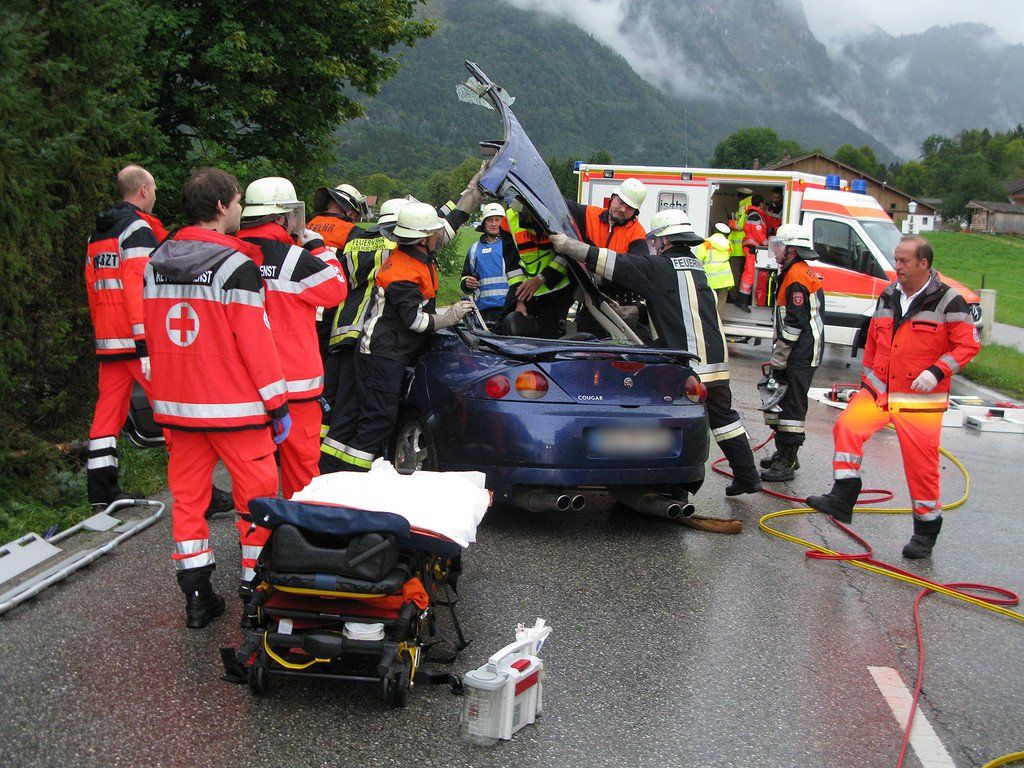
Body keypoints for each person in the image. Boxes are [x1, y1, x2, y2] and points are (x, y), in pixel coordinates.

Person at [143, 167, 290, 628]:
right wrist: (278, 404)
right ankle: (254, 596)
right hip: (236, 411)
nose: (241, 208)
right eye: (238, 201)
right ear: (222, 205)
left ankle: (197, 599)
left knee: (189, 502)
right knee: (257, 501)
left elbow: (152, 334)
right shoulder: (235, 266)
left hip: (179, 411)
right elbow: (256, 344)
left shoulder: (156, 261)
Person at [550, 209, 762, 497]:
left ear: (664, 240)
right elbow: (676, 303)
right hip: (715, 359)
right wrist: (638, 311)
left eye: (656, 241)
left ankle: (674, 489)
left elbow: (615, 263)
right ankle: (748, 476)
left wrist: (567, 246)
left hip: (687, 362)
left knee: (672, 420)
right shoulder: (696, 268)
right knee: (724, 418)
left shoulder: (661, 266)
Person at [806, 236, 980, 559]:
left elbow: (968, 346)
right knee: (847, 426)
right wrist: (867, 382)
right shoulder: (888, 295)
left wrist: (937, 371)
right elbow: (874, 340)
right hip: (880, 392)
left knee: (922, 469)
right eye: (896, 259)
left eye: (903, 261)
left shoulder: (949, 301)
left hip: (920, 402)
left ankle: (925, 531)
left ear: (923, 263)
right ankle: (843, 494)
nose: (896, 266)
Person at [84, 165, 232, 517]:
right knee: (172, 412)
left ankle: (101, 493)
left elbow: (93, 287)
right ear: (143, 191)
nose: (155, 196)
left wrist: (105, 332)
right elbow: (138, 286)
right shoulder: (136, 230)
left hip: (109, 339)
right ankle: (199, 492)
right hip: (136, 340)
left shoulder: (98, 234)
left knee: (107, 416)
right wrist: (145, 342)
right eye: (153, 190)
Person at [324, 202, 475, 470]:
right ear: (423, 239)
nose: (438, 236)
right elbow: (415, 321)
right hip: (382, 354)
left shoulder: (414, 257)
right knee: (379, 419)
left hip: (383, 351)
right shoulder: (403, 272)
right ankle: (353, 473)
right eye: (434, 233)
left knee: (363, 415)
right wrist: (449, 316)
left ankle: (333, 470)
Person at [237, 177, 347, 498]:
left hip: (245, 385)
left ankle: (256, 527)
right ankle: (299, 527)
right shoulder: (294, 259)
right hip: (295, 385)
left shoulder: (231, 253)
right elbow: (336, 289)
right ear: (283, 217)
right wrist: (319, 248)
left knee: (251, 474)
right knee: (302, 477)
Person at [319, 197, 408, 472]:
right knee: (354, 407)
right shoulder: (397, 245)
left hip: (341, 328)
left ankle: (316, 460)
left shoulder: (355, 240)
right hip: (367, 333)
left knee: (334, 405)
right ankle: (337, 470)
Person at [759, 224, 824, 483]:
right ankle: (783, 454)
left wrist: (780, 356)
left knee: (791, 407)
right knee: (782, 400)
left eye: (779, 246)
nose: (775, 251)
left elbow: (794, 324)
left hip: (800, 354)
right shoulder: (795, 272)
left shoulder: (796, 277)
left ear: (792, 250)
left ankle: (787, 461)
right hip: (801, 351)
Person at [565, 178, 649, 338]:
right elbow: (561, 205)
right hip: (592, 303)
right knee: (584, 344)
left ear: (635, 212)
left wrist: (600, 277)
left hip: (620, 308)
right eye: (621, 202)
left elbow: (634, 274)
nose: (623, 209)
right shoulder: (590, 215)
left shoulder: (637, 234)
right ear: (613, 197)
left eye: (629, 207)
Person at [500, 204, 573, 339]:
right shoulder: (508, 219)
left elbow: (566, 256)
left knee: (549, 337)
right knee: (503, 329)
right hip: (526, 291)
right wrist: (519, 301)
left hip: (556, 288)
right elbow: (512, 266)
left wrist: (541, 278)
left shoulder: (557, 214)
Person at [461, 202, 518, 327]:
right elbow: (465, 275)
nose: (494, 224)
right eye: (490, 220)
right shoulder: (473, 249)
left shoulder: (512, 245)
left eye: (497, 220)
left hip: (509, 307)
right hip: (483, 310)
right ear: (484, 223)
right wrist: (466, 282)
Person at [693, 223, 735, 315]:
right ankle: (718, 321)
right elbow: (728, 257)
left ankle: (709, 321)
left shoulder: (706, 243)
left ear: (714, 231)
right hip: (725, 279)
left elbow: (698, 259)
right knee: (720, 304)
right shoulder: (728, 244)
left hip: (710, 279)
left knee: (708, 303)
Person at [727, 187, 755, 310]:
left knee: (736, 274)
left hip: (738, 248)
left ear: (740, 195)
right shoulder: (748, 204)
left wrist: (730, 222)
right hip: (745, 247)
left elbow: (740, 225)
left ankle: (734, 298)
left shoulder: (744, 206)